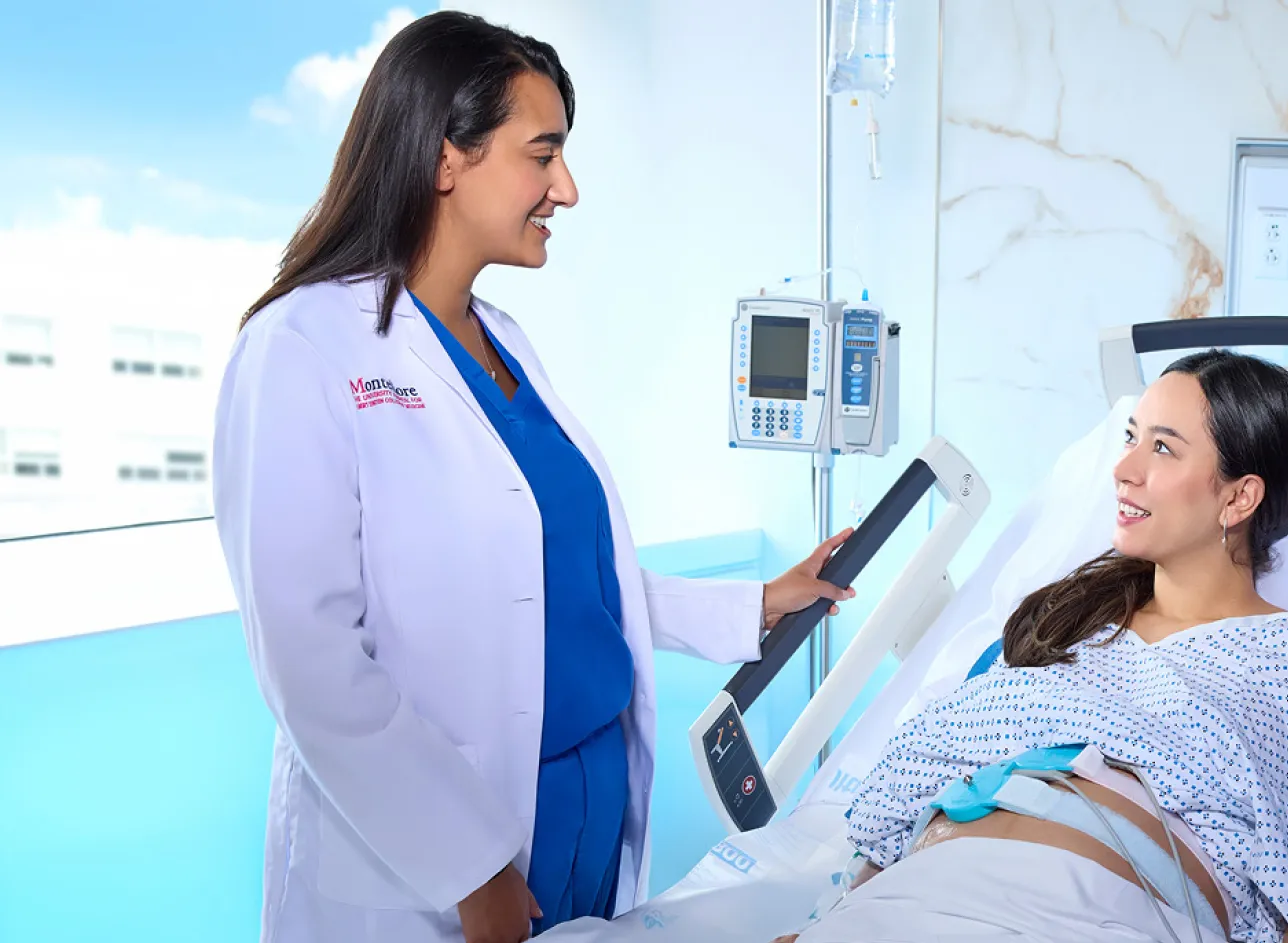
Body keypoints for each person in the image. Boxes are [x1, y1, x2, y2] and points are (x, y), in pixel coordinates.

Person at [212, 13, 853, 943]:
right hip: (441, 861)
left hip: (577, 832)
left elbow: (553, 577)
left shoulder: (503, 341)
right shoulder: (301, 346)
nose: (567, 188)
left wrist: (752, 604)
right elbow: (310, 661)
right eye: (542, 154)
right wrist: (471, 866)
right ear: (446, 158)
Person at [781, 350, 1288, 943]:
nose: (1124, 468)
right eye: (1131, 437)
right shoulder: (1070, 622)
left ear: (1239, 498)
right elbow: (914, 788)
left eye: (1163, 448)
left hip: (1098, 913)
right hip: (917, 891)